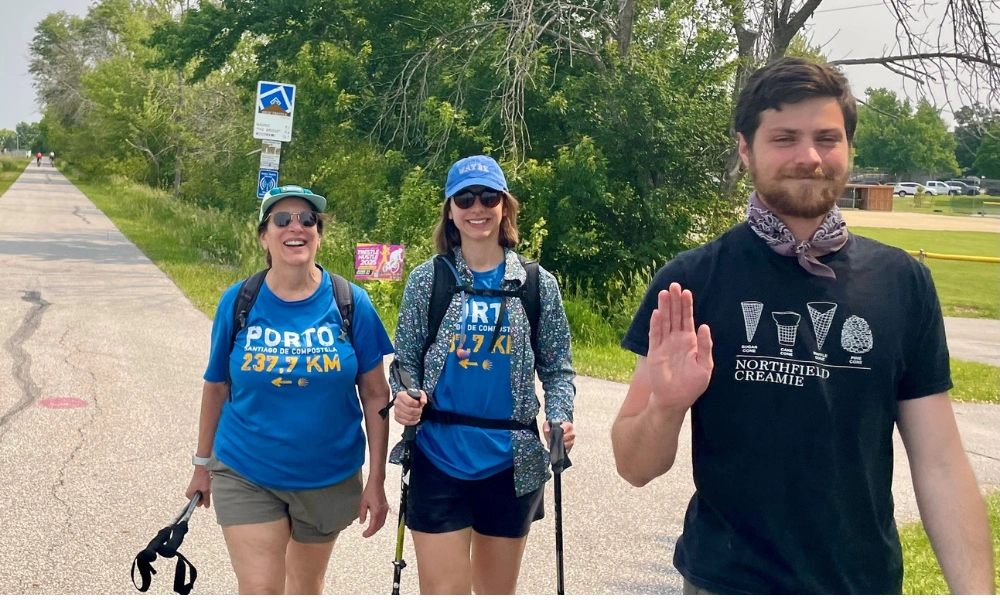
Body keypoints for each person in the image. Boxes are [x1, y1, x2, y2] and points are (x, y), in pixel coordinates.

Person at [611, 57, 994, 595]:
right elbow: (634, 465)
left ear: (849, 148)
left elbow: (941, 464)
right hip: (726, 583)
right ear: (746, 150)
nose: (809, 156)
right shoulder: (690, 282)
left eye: (827, 138)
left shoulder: (903, 283)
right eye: (785, 137)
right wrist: (667, 405)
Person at [187, 184, 395, 594]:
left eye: (307, 220)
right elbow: (216, 388)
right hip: (246, 470)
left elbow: (376, 395)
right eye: (282, 220)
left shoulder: (351, 302)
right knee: (261, 588)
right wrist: (201, 464)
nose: (294, 227)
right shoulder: (239, 302)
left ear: (319, 233)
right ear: (265, 235)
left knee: (305, 584)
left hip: (328, 477)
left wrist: (376, 479)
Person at [392, 155, 576, 594]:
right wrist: (404, 394)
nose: (478, 207)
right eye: (465, 197)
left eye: (489, 196)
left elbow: (557, 365)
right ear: (450, 211)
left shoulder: (536, 283)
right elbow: (406, 358)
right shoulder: (428, 279)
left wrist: (561, 416)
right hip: (439, 454)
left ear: (505, 207)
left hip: (510, 461)